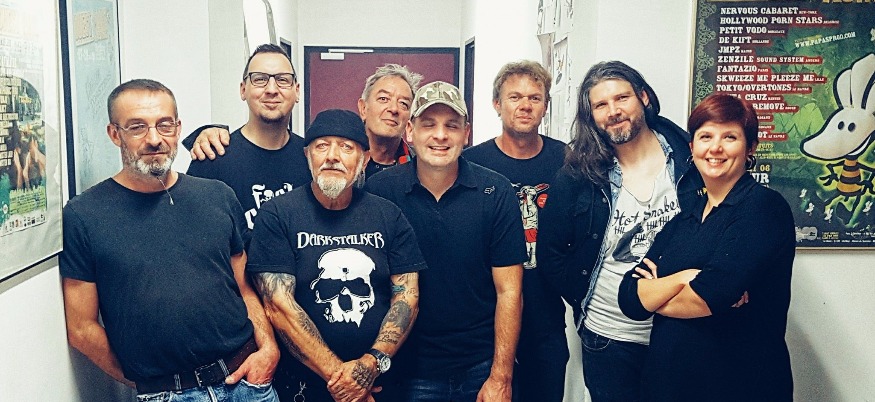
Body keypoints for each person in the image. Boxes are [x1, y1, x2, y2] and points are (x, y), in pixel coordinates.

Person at [60, 79, 280, 401]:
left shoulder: (218, 196)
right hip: (166, 394)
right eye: (137, 127)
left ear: (178, 129)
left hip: (247, 382)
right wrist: (142, 382)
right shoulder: (84, 215)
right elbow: (81, 328)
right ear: (114, 134)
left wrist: (268, 348)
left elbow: (245, 288)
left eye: (164, 125)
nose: (154, 139)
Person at [538, 61, 701, 402]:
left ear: (643, 97)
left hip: (681, 332)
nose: (613, 111)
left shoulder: (690, 159)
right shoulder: (578, 174)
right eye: (601, 104)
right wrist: (586, 300)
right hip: (609, 337)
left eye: (622, 98)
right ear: (591, 115)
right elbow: (551, 254)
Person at [617, 93, 795, 401]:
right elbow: (629, 299)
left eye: (730, 137)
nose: (715, 148)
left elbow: (708, 297)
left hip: (738, 385)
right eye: (706, 136)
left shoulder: (763, 208)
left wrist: (656, 294)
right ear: (692, 147)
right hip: (669, 386)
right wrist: (685, 278)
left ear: (750, 148)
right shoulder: (685, 216)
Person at [246, 109, 426, 402]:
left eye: (346, 147)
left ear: (364, 160)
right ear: (308, 156)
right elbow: (278, 305)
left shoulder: (388, 215)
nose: (332, 156)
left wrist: (369, 367)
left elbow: (407, 297)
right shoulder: (277, 214)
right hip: (303, 389)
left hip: (380, 386)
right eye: (321, 146)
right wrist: (347, 384)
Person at [365, 81, 525, 402]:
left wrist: (501, 376)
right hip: (406, 370)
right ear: (410, 131)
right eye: (429, 124)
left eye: (451, 125)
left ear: (466, 133)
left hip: (480, 367)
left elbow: (510, 291)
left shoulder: (495, 191)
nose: (440, 135)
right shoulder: (380, 191)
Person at [462, 60, 568, 402]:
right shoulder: (471, 163)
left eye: (535, 98)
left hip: (545, 319)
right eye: (515, 97)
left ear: (545, 106)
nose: (525, 106)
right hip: (484, 322)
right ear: (497, 104)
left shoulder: (566, 160)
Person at [186, 63, 422, 181]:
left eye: (403, 103)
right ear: (363, 107)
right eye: (383, 99)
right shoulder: (322, 160)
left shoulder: (420, 168)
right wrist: (209, 132)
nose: (393, 109)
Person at [186, 44, 310, 239]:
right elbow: (195, 238)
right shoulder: (212, 158)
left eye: (282, 80)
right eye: (259, 79)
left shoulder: (311, 159)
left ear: (297, 91)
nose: (271, 89)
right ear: (243, 90)